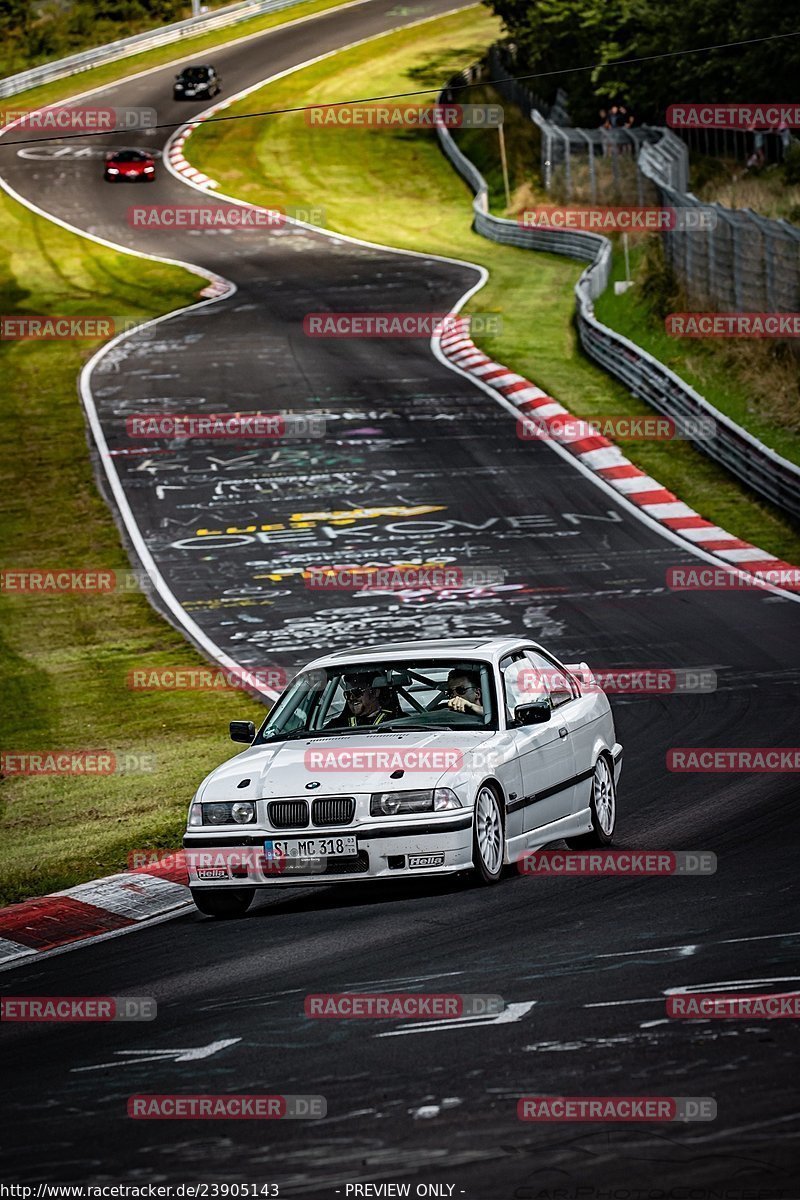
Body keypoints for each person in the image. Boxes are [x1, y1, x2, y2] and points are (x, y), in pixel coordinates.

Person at [325, 672, 394, 728]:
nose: (351, 698)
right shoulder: (337, 725)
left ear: (374, 692)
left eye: (356, 692)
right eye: (348, 694)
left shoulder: (395, 721)